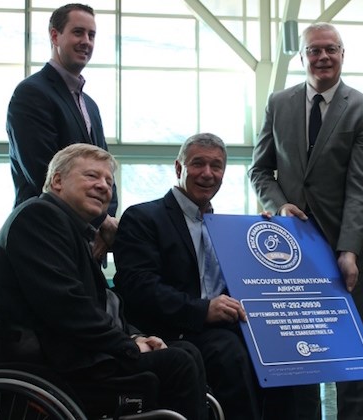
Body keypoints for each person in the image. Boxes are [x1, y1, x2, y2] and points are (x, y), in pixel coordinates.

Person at [0, 143, 208, 420]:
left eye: (109, 181)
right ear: (57, 181)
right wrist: (127, 346)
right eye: (92, 176)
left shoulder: (72, 229)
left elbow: (100, 304)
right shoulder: (39, 218)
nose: (104, 186)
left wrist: (136, 336)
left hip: (73, 353)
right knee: (178, 362)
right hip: (54, 364)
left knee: (185, 350)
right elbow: (66, 307)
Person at [248, 22, 363, 419]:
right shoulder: (278, 103)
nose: (323, 57)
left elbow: (362, 187)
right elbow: (260, 171)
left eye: (331, 49)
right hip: (287, 248)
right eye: (314, 50)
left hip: (346, 248)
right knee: (299, 351)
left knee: (351, 354)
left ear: (342, 54)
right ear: (303, 56)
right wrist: (278, 205)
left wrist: (349, 250)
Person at [114, 133, 299, 420]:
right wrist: (203, 310)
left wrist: (268, 232)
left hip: (223, 326)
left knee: (284, 347)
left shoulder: (227, 228)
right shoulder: (143, 218)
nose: (208, 174)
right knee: (231, 353)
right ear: (179, 168)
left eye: (217, 166)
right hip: (173, 328)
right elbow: (140, 287)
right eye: (198, 164)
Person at [6, 3, 117, 262]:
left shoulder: (90, 105)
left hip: (85, 239)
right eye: (78, 32)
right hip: (43, 235)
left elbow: (106, 171)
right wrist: (101, 221)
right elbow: (41, 172)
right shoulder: (31, 93)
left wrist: (105, 221)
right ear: (55, 36)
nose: (86, 42)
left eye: (91, 35)